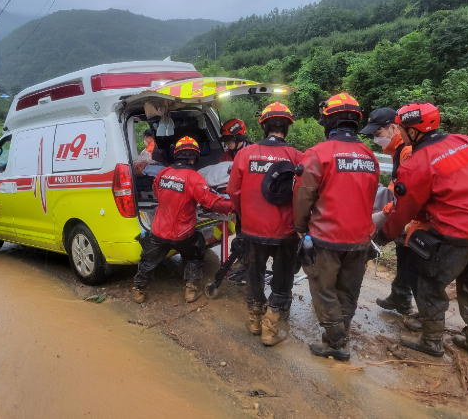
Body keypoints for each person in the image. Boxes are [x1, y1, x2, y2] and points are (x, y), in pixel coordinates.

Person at [379, 102, 468, 359]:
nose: (401, 135)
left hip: (457, 234)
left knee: (430, 282)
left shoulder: (417, 163)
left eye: (402, 130)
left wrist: (384, 235)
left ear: (413, 132)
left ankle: (431, 341)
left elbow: (405, 210)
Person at [293, 93, 379, 361]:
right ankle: (342, 331)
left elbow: (303, 194)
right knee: (348, 290)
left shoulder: (319, 154)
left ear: (329, 121)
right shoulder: (369, 156)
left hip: (326, 237)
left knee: (323, 288)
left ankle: (335, 341)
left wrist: (300, 226)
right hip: (360, 239)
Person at [227, 102, 302, 346]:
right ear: (287, 127)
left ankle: (255, 320)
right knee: (282, 278)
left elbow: (234, 191)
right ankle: (271, 328)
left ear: (264, 125)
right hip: (285, 231)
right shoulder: (297, 156)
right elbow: (304, 194)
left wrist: (244, 215)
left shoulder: (244, 154)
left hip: (252, 229)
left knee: (254, 274)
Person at [132, 136, 234, 303]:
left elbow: (158, 194)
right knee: (196, 250)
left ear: (177, 155)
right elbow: (212, 201)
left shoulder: (163, 173)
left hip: (159, 230)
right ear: (194, 157)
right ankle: (191, 290)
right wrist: (234, 205)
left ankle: (138, 290)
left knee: (148, 260)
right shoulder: (194, 178)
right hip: (182, 233)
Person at [361, 108, 419, 326]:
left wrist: (384, 216)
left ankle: (426, 319)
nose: (377, 139)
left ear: (393, 128)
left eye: (378, 133)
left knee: (414, 257)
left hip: (416, 214)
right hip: (407, 212)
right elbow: (396, 186)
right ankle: (400, 296)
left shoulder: (408, 150)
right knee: (404, 249)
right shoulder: (397, 150)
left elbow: (405, 193)